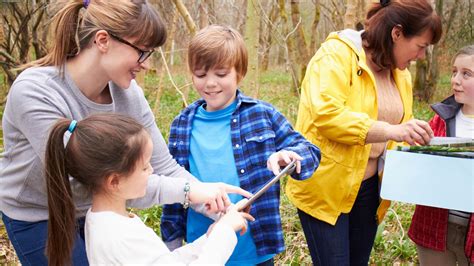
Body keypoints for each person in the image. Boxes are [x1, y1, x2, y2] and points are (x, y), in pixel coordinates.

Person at [0, 1, 250, 265]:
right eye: (142, 52)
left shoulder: (128, 94)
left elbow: (163, 167)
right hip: (40, 212)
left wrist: (216, 204)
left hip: (98, 213)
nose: (145, 64)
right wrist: (189, 192)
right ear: (103, 40)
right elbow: (96, 181)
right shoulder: (36, 91)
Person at [284, 0, 442, 265]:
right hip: (327, 188)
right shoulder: (336, 55)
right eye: (421, 47)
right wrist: (392, 130)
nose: (421, 56)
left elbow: (399, 119)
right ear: (397, 33)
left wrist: (414, 134)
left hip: (369, 190)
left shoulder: (400, 74)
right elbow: (328, 115)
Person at [160, 25, 321, 265]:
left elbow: (309, 151)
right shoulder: (182, 124)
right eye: (201, 75)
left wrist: (289, 155)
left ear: (240, 72)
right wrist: (171, 243)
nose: (210, 83)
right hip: (204, 248)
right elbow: (174, 185)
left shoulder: (262, 115)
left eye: (221, 74)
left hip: (254, 248)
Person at [45, 113, 255, 265]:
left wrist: (210, 238)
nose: (152, 170)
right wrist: (225, 232)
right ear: (114, 181)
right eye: (144, 167)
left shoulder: (103, 220)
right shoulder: (120, 235)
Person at [408, 45, 474, 266]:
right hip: (434, 229)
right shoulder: (439, 120)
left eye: (466, 74)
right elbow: (417, 168)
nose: (455, 80)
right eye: (454, 71)